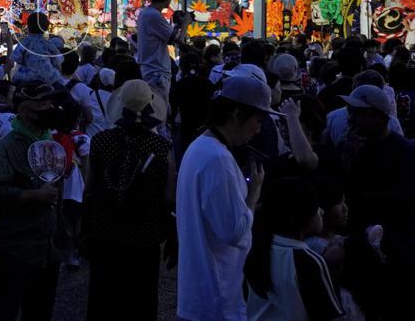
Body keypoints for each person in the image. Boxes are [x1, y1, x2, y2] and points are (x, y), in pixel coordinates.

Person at [176, 74, 275, 321]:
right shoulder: (218, 159)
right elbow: (233, 231)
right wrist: (254, 194)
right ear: (236, 115)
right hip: (218, 298)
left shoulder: (199, 146)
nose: (258, 129)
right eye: (257, 120)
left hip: (199, 291)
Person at [85, 79, 174, 320]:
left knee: (103, 299)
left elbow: (90, 186)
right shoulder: (161, 146)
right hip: (145, 234)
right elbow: (168, 195)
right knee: (141, 300)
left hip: (105, 230)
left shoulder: (100, 141)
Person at [0, 83, 69, 321]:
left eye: (51, 103)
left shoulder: (50, 143)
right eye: (43, 104)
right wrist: (34, 195)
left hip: (48, 249)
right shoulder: (6, 148)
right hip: (16, 248)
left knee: (40, 312)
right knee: (5, 310)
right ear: (25, 110)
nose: (51, 108)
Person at [341, 83, 415, 317]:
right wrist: (348, 158)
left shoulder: (404, 151)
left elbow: (404, 196)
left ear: (378, 116)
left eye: (359, 113)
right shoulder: (351, 145)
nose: (352, 119)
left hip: (394, 244)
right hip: (358, 240)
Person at [245, 178, 344, 320]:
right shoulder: (307, 260)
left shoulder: (259, 248)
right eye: (316, 207)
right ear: (301, 216)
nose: (321, 212)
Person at [137, 0, 188, 101]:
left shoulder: (145, 13)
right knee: (159, 109)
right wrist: (185, 24)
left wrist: (178, 26)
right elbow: (179, 41)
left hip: (150, 70)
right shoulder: (154, 15)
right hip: (157, 72)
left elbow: (168, 37)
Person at [10, 12, 62, 86]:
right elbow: (58, 60)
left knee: (16, 76)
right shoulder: (48, 44)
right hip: (48, 77)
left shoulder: (25, 42)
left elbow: (16, 58)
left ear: (28, 27)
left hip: (27, 78)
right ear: (46, 28)